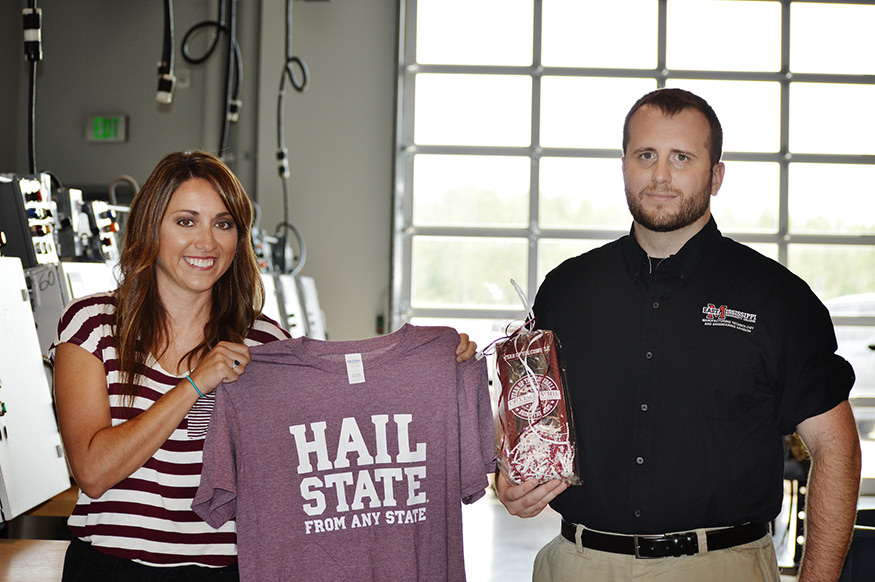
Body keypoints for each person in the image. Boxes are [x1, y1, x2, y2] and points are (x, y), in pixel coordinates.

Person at [49, 150, 477, 581]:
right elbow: (93, 471)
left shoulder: (265, 344)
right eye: (185, 221)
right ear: (150, 227)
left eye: (224, 223)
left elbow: (333, 444)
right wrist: (196, 383)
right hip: (110, 569)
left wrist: (438, 366)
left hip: (226, 571)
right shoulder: (93, 325)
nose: (206, 242)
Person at [495, 88, 861, 582]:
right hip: (579, 565)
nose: (660, 175)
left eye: (681, 158)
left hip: (722, 567)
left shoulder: (777, 298)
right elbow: (530, 417)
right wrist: (511, 480)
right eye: (646, 155)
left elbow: (836, 446)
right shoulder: (566, 290)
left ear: (716, 176)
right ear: (624, 164)